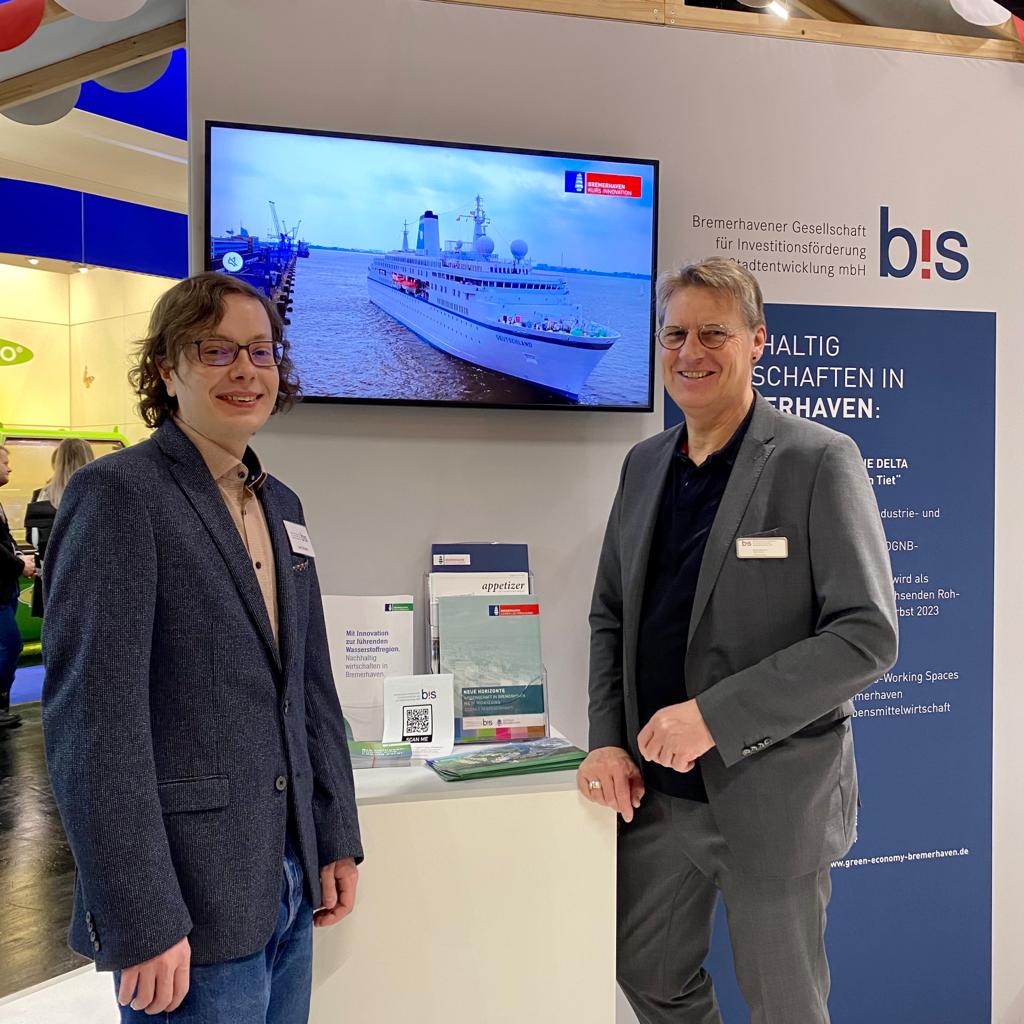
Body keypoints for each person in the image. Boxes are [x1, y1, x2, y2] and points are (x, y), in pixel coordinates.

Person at [578, 257, 897, 1024]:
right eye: (674, 334)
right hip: (657, 797)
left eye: (713, 333)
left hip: (773, 797)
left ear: (757, 341)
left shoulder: (817, 460)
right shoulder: (643, 464)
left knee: (786, 1006)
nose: (690, 352)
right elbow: (611, 614)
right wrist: (607, 739)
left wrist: (712, 717)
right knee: (645, 973)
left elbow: (866, 635)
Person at [42, 272, 363, 1023]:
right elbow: (93, 726)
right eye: (215, 351)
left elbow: (309, 687)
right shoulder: (119, 495)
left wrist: (336, 835)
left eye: (260, 351)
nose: (245, 370)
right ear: (165, 369)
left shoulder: (281, 505)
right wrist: (141, 916)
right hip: (186, 904)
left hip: (289, 881)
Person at [24, 437, 94, 618]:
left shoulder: (41, 496)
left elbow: (31, 537)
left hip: (49, 579)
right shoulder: (96, 494)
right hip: (87, 582)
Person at [0, 444, 36, 732]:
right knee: (10, 645)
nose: (9, 467)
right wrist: (19, 564)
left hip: (7, 587)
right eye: (4, 462)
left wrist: (19, 556)